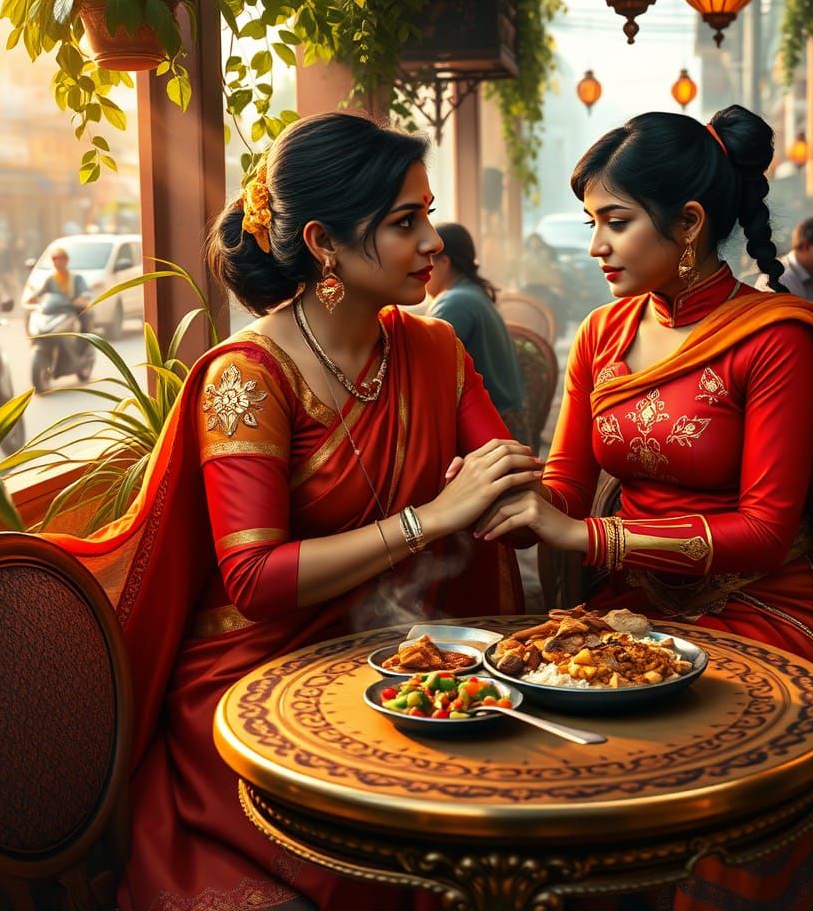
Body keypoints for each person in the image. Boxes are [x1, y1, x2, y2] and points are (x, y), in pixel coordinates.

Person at [473, 107, 813, 909]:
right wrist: (488, 488)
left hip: (767, 606)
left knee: (711, 786)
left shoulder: (775, 339)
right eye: (591, 222)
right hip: (635, 608)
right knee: (527, 742)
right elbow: (564, 490)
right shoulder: (602, 334)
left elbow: (766, 532)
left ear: (689, 224)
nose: (596, 245)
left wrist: (588, 535)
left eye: (616, 222)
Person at [46, 112, 536, 910]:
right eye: (404, 223)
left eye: (427, 215)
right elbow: (253, 579)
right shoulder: (249, 377)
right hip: (257, 683)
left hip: (398, 656)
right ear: (323, 243)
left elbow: (507, 487)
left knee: (511, 809)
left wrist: (534, 497)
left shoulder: (433, 351)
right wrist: (432, 519)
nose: (431, 242)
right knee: (401, 847)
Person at [426, 222, 526, 434]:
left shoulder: (455, 303)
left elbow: (422, 375)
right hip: (504, 426)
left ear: (443, 262)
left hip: (490, 434)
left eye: (426, 258)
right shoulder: (470, 293)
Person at [25, 245, 93, 333]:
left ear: (66, 260)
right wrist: (33, 297)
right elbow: (41, 292)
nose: (57, 262)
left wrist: (80, 300)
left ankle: (84, 339)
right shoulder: (51, 279)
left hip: (70, 310)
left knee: (85, 317)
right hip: (52, 312)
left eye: (60, 258)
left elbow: (85, 293)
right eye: (54, 259)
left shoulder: (76, 278)